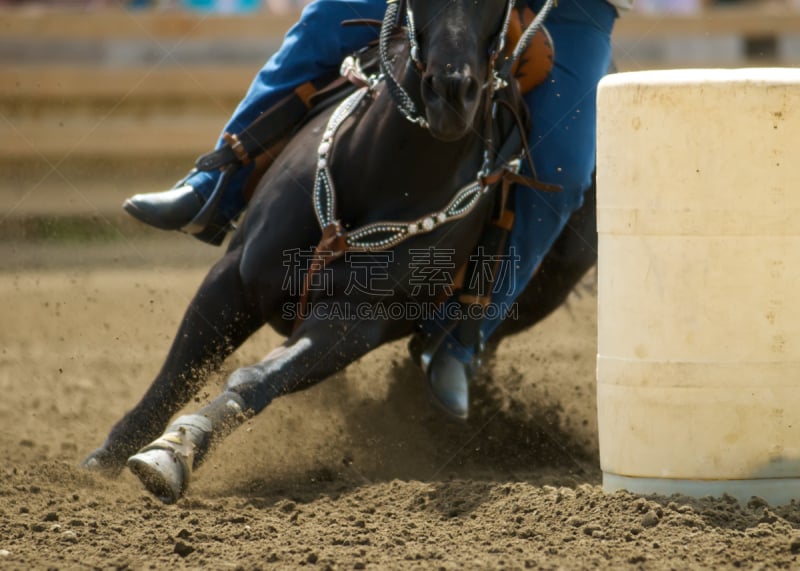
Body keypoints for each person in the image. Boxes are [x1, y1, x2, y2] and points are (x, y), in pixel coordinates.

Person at [123, 0, 629, 419]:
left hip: (567, 7)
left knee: (563, 168)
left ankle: (463, 334)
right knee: (322, 24)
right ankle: (215, 182)